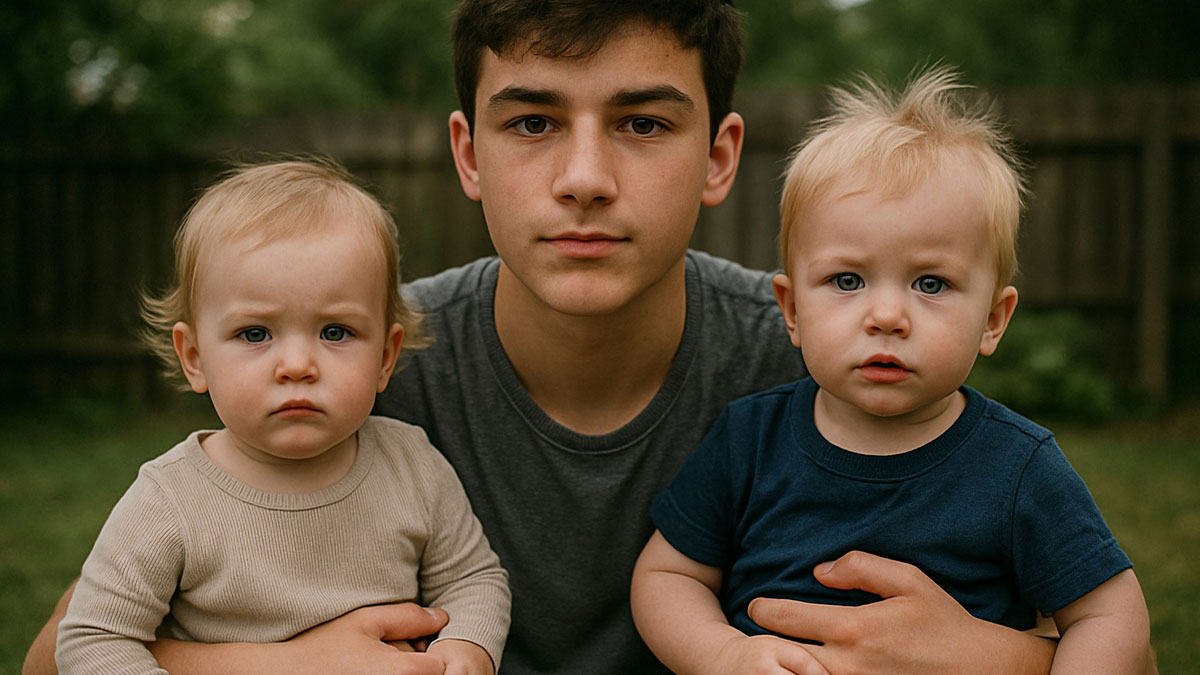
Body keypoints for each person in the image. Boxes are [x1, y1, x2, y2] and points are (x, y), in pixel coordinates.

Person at [27, 3, 1077, 674]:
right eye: (532, 121)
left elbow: (1107, 637)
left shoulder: (825, 365)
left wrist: (994, 657)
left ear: (720, 157)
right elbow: (56, 654)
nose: (583, 176)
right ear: (468, 152)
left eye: (642, 122)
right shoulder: (358, 362)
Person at [630, 67, 1155, 675]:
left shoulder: (1018, 469)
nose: (886, 316)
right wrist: (721, 653)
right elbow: (668, 573)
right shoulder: (750, 439)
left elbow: (1111, 615)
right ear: (792, 309)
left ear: (993, 319)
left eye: (930, 284)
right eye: (847, 280)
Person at [53, 160, 511, 675]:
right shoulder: (171, 500)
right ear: (195, 357)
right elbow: (93, 637)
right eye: (255, 334)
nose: (297, 366)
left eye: (335, 332)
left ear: (386, 356)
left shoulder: (412, 465)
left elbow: (473, 579)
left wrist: (467, 645)